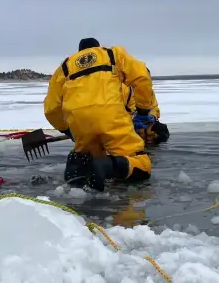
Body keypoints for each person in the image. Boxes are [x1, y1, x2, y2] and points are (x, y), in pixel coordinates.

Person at [43, 38, 155, 191]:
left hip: (79, 122)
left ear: (79, 51)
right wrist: (143, 109)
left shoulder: (64, 67)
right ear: (97, 47)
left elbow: (51, 108)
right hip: (110, 116)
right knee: (140, 163)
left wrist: (66, 129)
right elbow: (141, 76)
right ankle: (109, 166)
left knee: (88, 159)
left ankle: (77, 167)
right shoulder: (113, 54)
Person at [122, 64, 170, 145]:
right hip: (129, 134)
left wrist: (153, 117)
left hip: (149, 133)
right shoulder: (123, 89)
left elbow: (154, 108)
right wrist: (131, 120)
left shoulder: (149, 92)